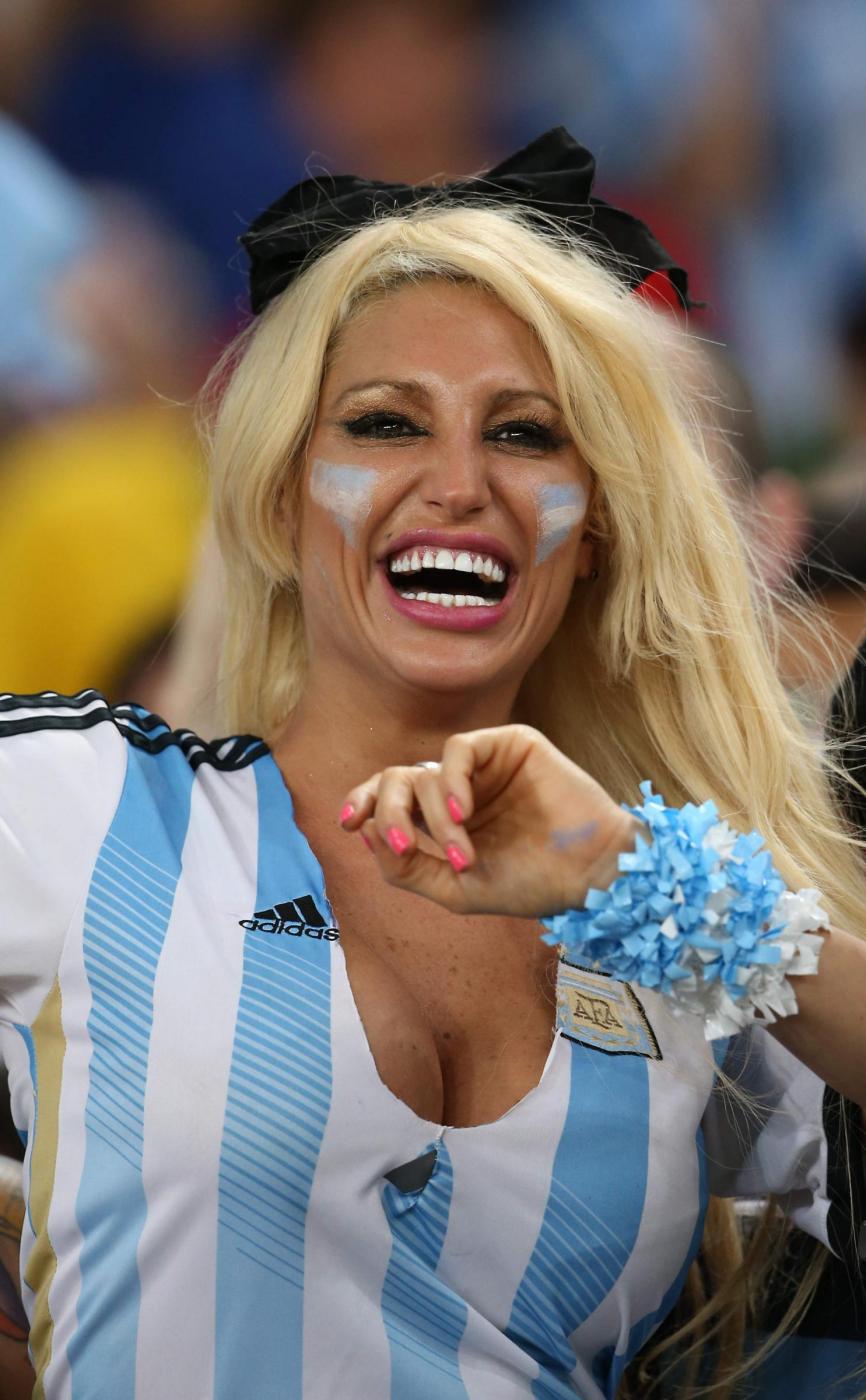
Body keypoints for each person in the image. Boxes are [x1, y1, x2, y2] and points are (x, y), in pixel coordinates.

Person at [2, 128, 866, 1400]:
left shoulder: (670, 924)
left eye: (523, 434)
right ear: (278, 498)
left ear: (596, 526)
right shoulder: (67, 800)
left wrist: (639, 874)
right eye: (384, 422)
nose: (457, 483)